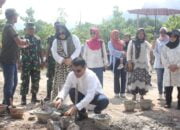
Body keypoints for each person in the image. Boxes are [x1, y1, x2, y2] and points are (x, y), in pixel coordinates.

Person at [0, 8, 29, 106]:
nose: (17, 17)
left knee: (14, 82)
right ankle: (7, 105)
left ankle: (6, 102)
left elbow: (18, 43)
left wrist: (23, 42)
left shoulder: (11, 26)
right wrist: (26, 41)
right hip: (8, 59)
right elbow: (19, 42)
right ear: (13, 16)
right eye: (16, 15)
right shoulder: (9, 27)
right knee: (9, 84)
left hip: (12, 60)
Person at [51, 23, 81, 100]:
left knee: (73, 83)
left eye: (63, 32)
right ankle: (61, 102)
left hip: (73, 64)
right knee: (61, 85)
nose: (61, 34)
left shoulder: (74, 38)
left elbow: (78, 48)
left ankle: (74, 102)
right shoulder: (55, 41)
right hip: (61, 66)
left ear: (66, 31)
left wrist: (71, 58)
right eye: (59, 33)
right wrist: (62, 60)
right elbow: (54, 52)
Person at [20, 22, 43, 105]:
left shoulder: (37, 39)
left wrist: (42, 61)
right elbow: (19, 51)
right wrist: (18, 62)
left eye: (33, 29)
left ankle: (34, 97)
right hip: (26, 63)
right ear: (26, 29)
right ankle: (23, 98)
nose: (31, 30)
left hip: (35, 63)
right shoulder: (22, 38)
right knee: (25, 80)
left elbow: (40, 50)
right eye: (29, 29)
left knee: (36, 80)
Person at [127, 28, 152, 100]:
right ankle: (134, 95)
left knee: (143, 81)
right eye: (139, 33)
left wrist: (155, 42)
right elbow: (128, 53)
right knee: (134, 81)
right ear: (137, 34)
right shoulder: (132, 42)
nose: (141, 35)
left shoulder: (145, 43)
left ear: (144, 35)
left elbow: (152, 49)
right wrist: (129, 62)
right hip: (135, 65)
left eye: (142, 34)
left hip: (144, 65)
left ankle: (142, 95)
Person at [161, 30, 180, 109]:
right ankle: (168, 102)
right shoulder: (165, 46)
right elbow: (163, 57)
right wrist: (169, 66)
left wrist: (177, 66)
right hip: (168, 70)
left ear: (177, 37)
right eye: (171, 36)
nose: (172, 38)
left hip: (179, 70)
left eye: (174, 36)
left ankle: (179, 104)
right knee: (168, 87)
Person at [44, 21, 61, 101]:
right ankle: (48, 95)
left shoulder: (63, 37)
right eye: (56, 26)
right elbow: (47, 49)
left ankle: (59, 96)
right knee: (50, 79)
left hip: (61, 61)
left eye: (59, 26)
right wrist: (46, 60)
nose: (57, 27)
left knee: (61, 79)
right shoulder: (51, 37)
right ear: (54, 27)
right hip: (52, 60)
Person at [108, 30, 126, 98]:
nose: (116, 35)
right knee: (116, 77)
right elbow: (112, 52)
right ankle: (116, 92)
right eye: (114, 34)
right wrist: (122, 53)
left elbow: (125, 49)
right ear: (112, 35)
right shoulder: (110, 42)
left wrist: (124, 53)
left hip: (123, 60)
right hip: (116, 61)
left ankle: (123, 92)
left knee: (124, 76)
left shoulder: (122, 42)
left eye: (117, 34)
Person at [152, 27, 169, 100]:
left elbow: (170, 51)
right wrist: (160, 58)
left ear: (166, 32)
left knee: (166, 79)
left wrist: (164, 59)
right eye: (161, 32)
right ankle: (160, 94)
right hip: (158, 63)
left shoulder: (169, 40)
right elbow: (154, 51)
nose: (162, 33)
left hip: (167, 63)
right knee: (159, 80)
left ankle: (166, 93)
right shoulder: (157, 41)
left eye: (164, 32)